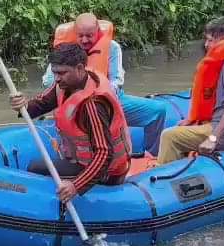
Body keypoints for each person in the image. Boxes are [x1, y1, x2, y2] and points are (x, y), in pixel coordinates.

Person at [10, 41, 133, 202]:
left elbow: (104, 154)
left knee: (35, 168)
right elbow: (43, 103)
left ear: (80, 68)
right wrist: (23, 106)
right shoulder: (66, 83)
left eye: (62, 73)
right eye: (55, 73)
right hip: (82, 160)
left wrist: (76, 185)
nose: (57, 78)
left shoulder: (92, 104)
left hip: (108, 172)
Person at [41, 13, 170, 157]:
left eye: (89, 35)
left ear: (97, 32)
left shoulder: (112, 47)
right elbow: (48, 81)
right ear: (75, 34)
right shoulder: (65, 50)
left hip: (109, 100)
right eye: (80, 35)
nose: (84, 40)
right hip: (74, 104)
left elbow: (117, 81)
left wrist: (99, 98)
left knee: (158, 110)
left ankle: (151, 156)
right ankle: (72, 159)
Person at [156, 17, 224, 164]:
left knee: (169, 136)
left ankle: (162, 182)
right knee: (187, 127)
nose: (206, 44)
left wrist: (213, 139)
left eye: (210, 40)